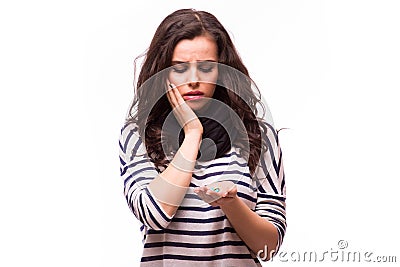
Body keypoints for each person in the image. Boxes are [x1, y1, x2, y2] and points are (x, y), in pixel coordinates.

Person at [119, 8, 286, 267]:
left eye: (207, 68)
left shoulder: (257, 135)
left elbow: (268, 247)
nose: (194, 80)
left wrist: (231, 204)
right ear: (162, 72)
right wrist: (193, 132)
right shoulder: (138, 134)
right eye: (180, 69)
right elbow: (154, 214)